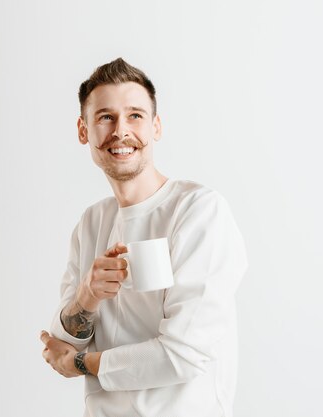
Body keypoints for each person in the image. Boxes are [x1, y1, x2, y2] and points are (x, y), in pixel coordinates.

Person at [39, 57, 248, 417]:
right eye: (106, 116)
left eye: (135, 115)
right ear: (83, 130)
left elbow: (183, 354)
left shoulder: (198, 211)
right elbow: (63, 343)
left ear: (156, 126)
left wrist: (83, 364)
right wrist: (86, 296)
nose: (121, 130)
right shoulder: (91, 223)